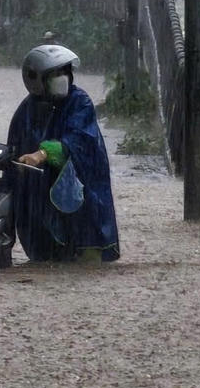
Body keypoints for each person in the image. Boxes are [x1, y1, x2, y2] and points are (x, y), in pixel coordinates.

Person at [7, 45, 120, 264]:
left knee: (86, 265)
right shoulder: (25, 112)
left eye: (64, 72)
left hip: (82, 197)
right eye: (55, 74)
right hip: (42, 203)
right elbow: (13, 155)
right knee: (46, 264)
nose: (62, 78)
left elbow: (78, 141)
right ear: (37, 79)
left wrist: (42, 154)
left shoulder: (80, 102)